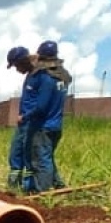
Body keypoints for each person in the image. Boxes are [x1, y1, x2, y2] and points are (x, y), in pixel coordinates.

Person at [31, 40, 72, 191]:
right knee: (48, 156)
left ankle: (43, 190)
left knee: (41, 159)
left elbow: (41, 106)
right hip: (57, 124)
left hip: (44, 125)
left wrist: (29, 115)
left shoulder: (45, 78)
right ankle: (58, 183)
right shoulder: (62, 78)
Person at [5, 46, 37, 193]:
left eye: (17, 65)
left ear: (23, 61)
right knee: (15, 153)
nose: (17, 69)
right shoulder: (29, 76)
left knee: (28, 155)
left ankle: (28, 187)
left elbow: (42, 103)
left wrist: (27, 115)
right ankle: (13, 184)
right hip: (23, 123)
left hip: (32, 123)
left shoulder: (39, 76)